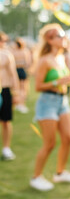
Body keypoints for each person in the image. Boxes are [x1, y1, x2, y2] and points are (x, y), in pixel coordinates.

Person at [30, 24, 70, 191]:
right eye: (59, 35)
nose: (63, 38)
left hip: (62, 102)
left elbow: (62, 80)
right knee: (50, 143)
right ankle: (36, 177)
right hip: (47, 103)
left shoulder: (61, 58)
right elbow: (38, 86)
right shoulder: (45, 60)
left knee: (68, 138)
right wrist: (57, 82)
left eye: (63, 35)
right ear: (49, 40)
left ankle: (60, 173)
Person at [0, 32, 20, 161]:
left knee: (6, 121)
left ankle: (6, 148)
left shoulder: (6, 55)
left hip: (5, 90)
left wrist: (16, 93)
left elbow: (13, 75)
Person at [11, 37, 32, 113]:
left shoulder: (13, 52)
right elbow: (28, 63)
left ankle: (19, 104)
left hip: (16, 70)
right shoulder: (25, 51)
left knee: (19, 88)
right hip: (22, 70)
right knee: (23, 89)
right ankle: (21, 104)